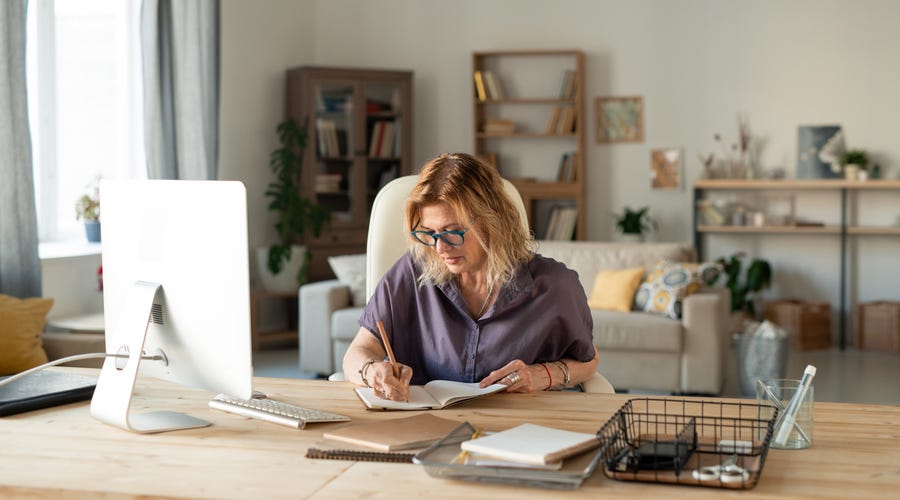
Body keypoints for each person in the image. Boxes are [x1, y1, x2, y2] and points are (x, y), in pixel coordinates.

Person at [342, 153, 599, 401]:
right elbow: (357, 353)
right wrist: (371, 372)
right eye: (429, 233)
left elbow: (588, 361)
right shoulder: (411, 271)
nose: (439, 248)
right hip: (425, 426)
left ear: (492, 222)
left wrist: (543, 375)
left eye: (452, 232)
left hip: (520, 430)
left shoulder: (555, 286)